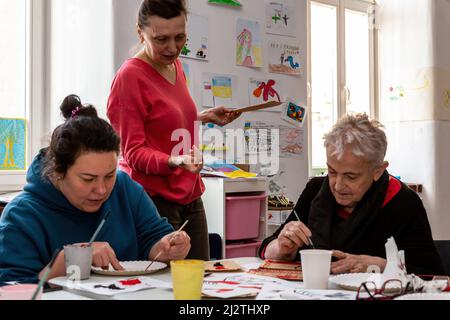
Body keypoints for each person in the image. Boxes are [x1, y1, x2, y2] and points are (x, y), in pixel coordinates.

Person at [0, 95, 190, 285]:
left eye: (109, 175)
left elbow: (153, 238)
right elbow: (13, 289)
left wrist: (167, 247)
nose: (101, 190)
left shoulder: (124, 187)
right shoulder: (21, 216)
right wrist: (70, 259)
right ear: (58, 171)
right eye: (88, 179)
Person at [107, 0, 240, 260]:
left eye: (180, 37)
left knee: (199, 282)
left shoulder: (174, 65)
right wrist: (174, 160)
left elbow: (162, 121)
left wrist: (202, 117)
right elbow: (133, 152)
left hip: (189, 193)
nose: (172, 48)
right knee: (165, 289)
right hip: (153, 200)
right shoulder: (130, 77)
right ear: (140, 33)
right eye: (161, 39)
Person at [259, 113, 444, 275]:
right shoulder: (316, 189)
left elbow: (431, 272)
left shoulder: (403, 202)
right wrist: (282, 248)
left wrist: (381, 265)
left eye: (351, 176)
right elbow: (267, 247)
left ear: (378, 170)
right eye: (332, 171)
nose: (338, 186)